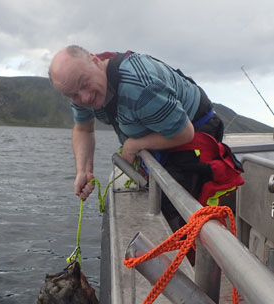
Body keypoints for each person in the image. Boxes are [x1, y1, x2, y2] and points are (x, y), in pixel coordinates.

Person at [49, 45, 242, 216]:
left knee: (173, 206)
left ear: (94, 61)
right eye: (73, 95)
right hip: (160, 127)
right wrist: (83, 170)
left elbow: (185, 133)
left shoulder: (139, 86)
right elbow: (83, 129)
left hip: (194, 128)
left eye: (84, 84)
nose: (84, 98)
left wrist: (134, 145)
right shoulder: (77, 86)